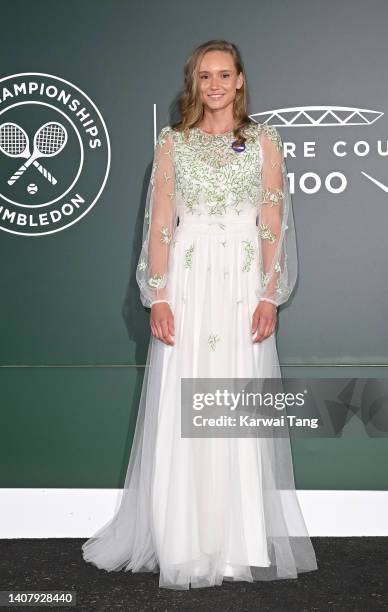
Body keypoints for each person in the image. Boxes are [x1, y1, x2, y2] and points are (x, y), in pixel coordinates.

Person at [82, 39, 318, 590]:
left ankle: (235, 545)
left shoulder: (265, 142)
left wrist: (269, 294)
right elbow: (161, 222)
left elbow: (272, 222)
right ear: (195, 84)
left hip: (240, 284)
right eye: (204, 76)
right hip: (188, 283)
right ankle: (182, 542)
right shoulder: (174, 143)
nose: (214, 84)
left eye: (224, 74)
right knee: (183, 400)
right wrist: (158, 295)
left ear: (239, 80)